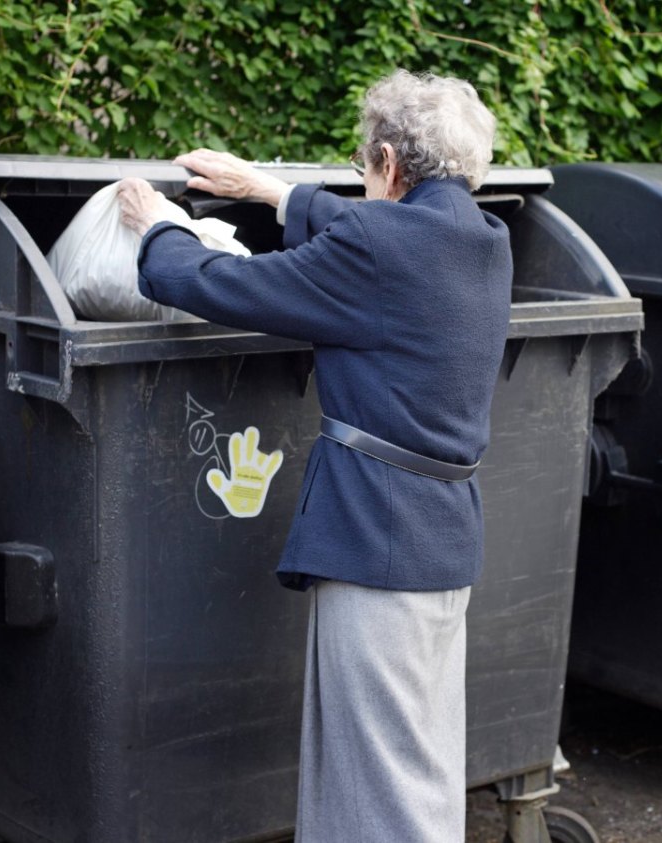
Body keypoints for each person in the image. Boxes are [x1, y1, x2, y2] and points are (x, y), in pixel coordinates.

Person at [116, 69, 511, 842]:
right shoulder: (484, 242)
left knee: (386, 786)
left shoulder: (376, 243)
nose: (364, 186)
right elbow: (381, 233)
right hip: (442, 547)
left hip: (376, 544)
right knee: (402, 768)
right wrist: (271, 191)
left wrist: (160, 226)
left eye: (367, 168)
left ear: (390, 164)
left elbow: (215, 282)